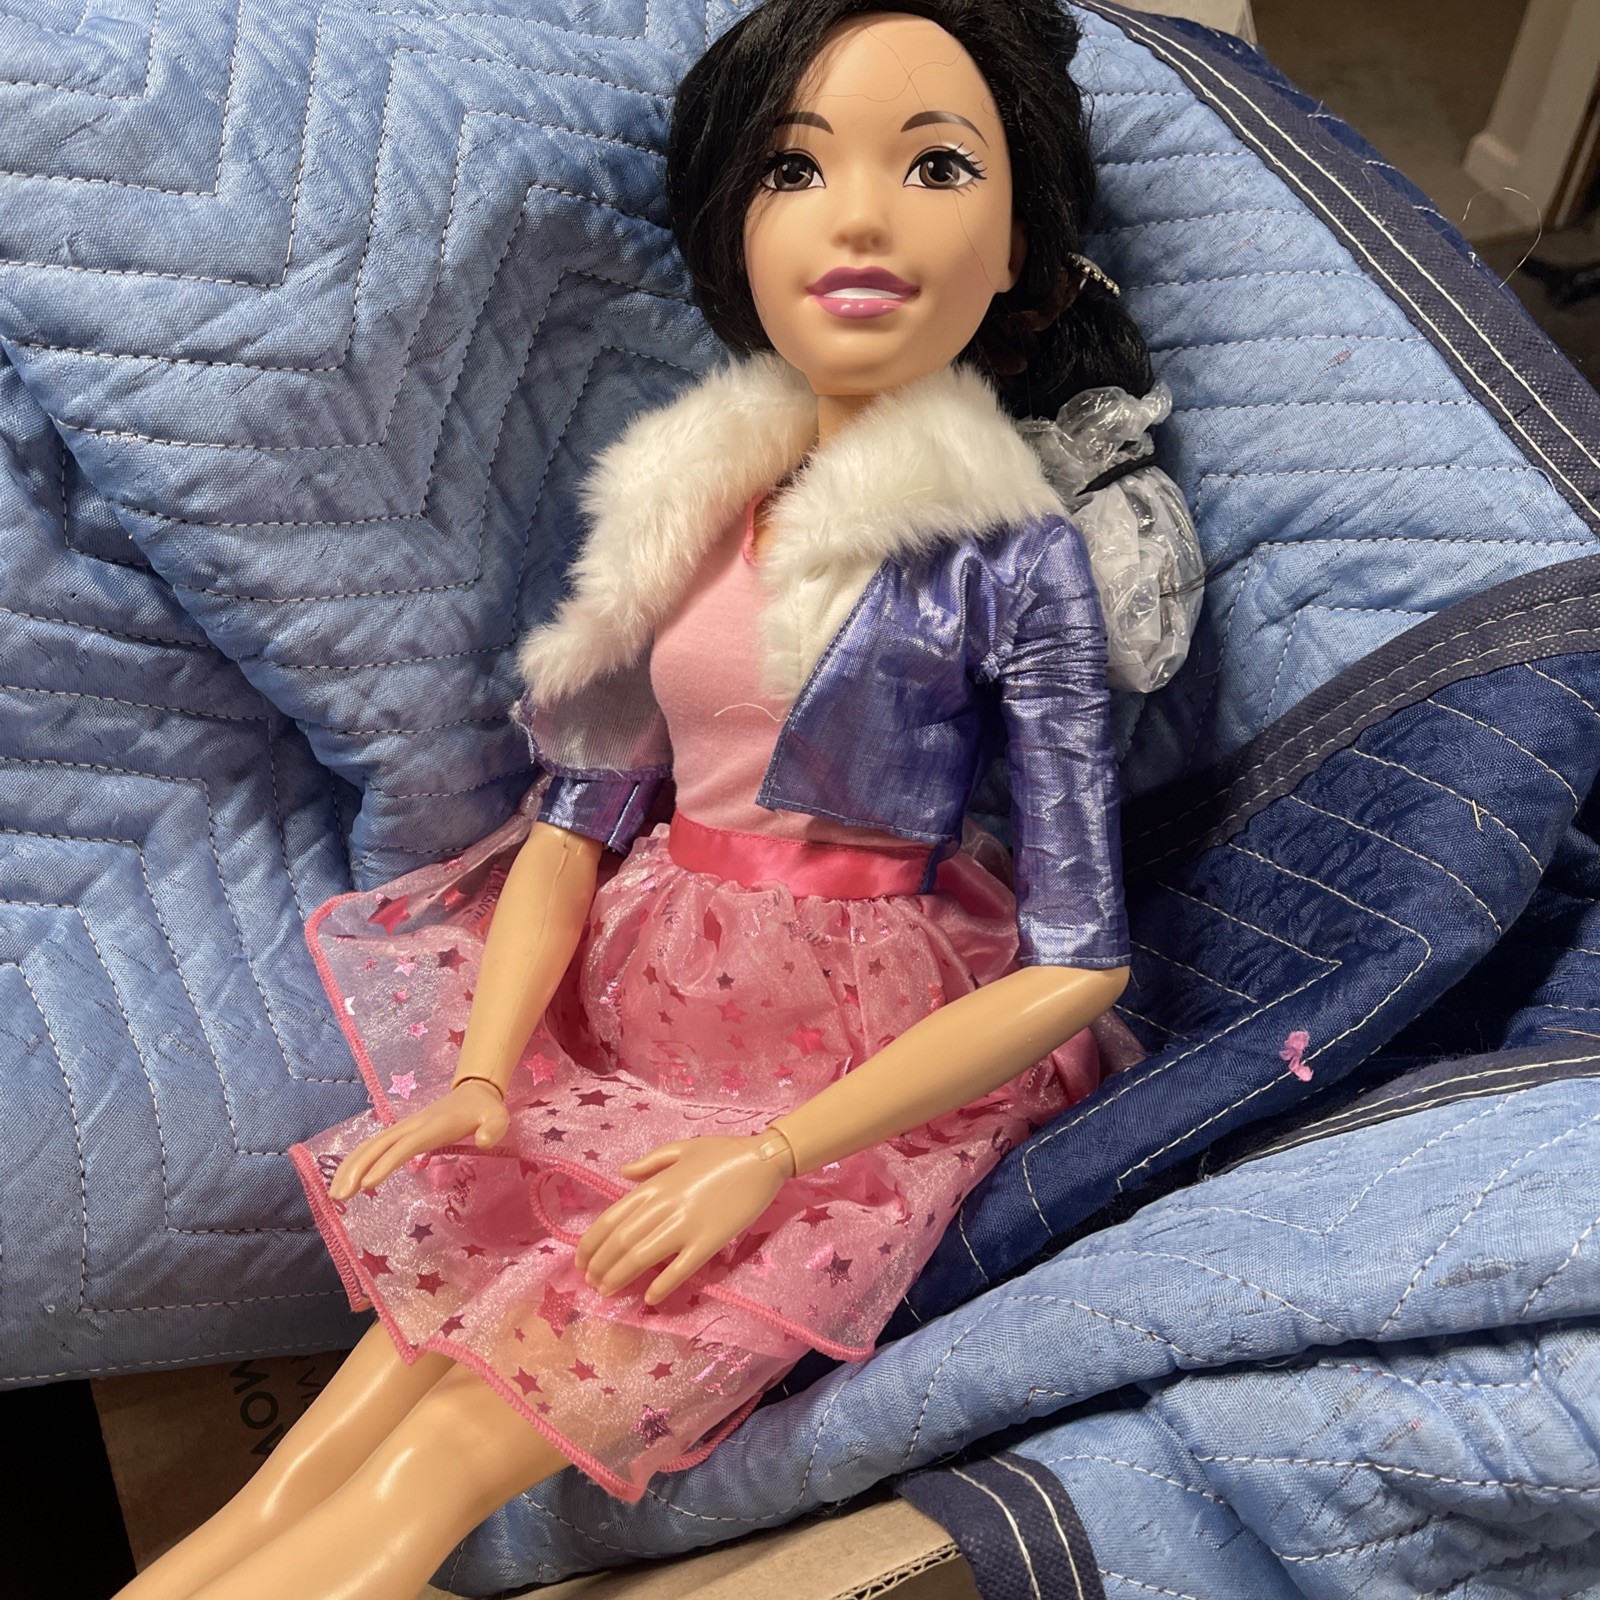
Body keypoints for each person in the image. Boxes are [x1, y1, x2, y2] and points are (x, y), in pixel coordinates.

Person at [117, 3, 1150, 1595]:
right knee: (331, 1438)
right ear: (734, 219)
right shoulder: (689, 500)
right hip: (632, 1035)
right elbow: (575, 821)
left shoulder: (1012, 563)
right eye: (796, 169)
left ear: (1020, 243)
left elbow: (1081, 961)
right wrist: (484, 1073)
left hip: (843, 1071)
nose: (862, 219)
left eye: (938, 167)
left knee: (436, 1469)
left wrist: (777, 1158)